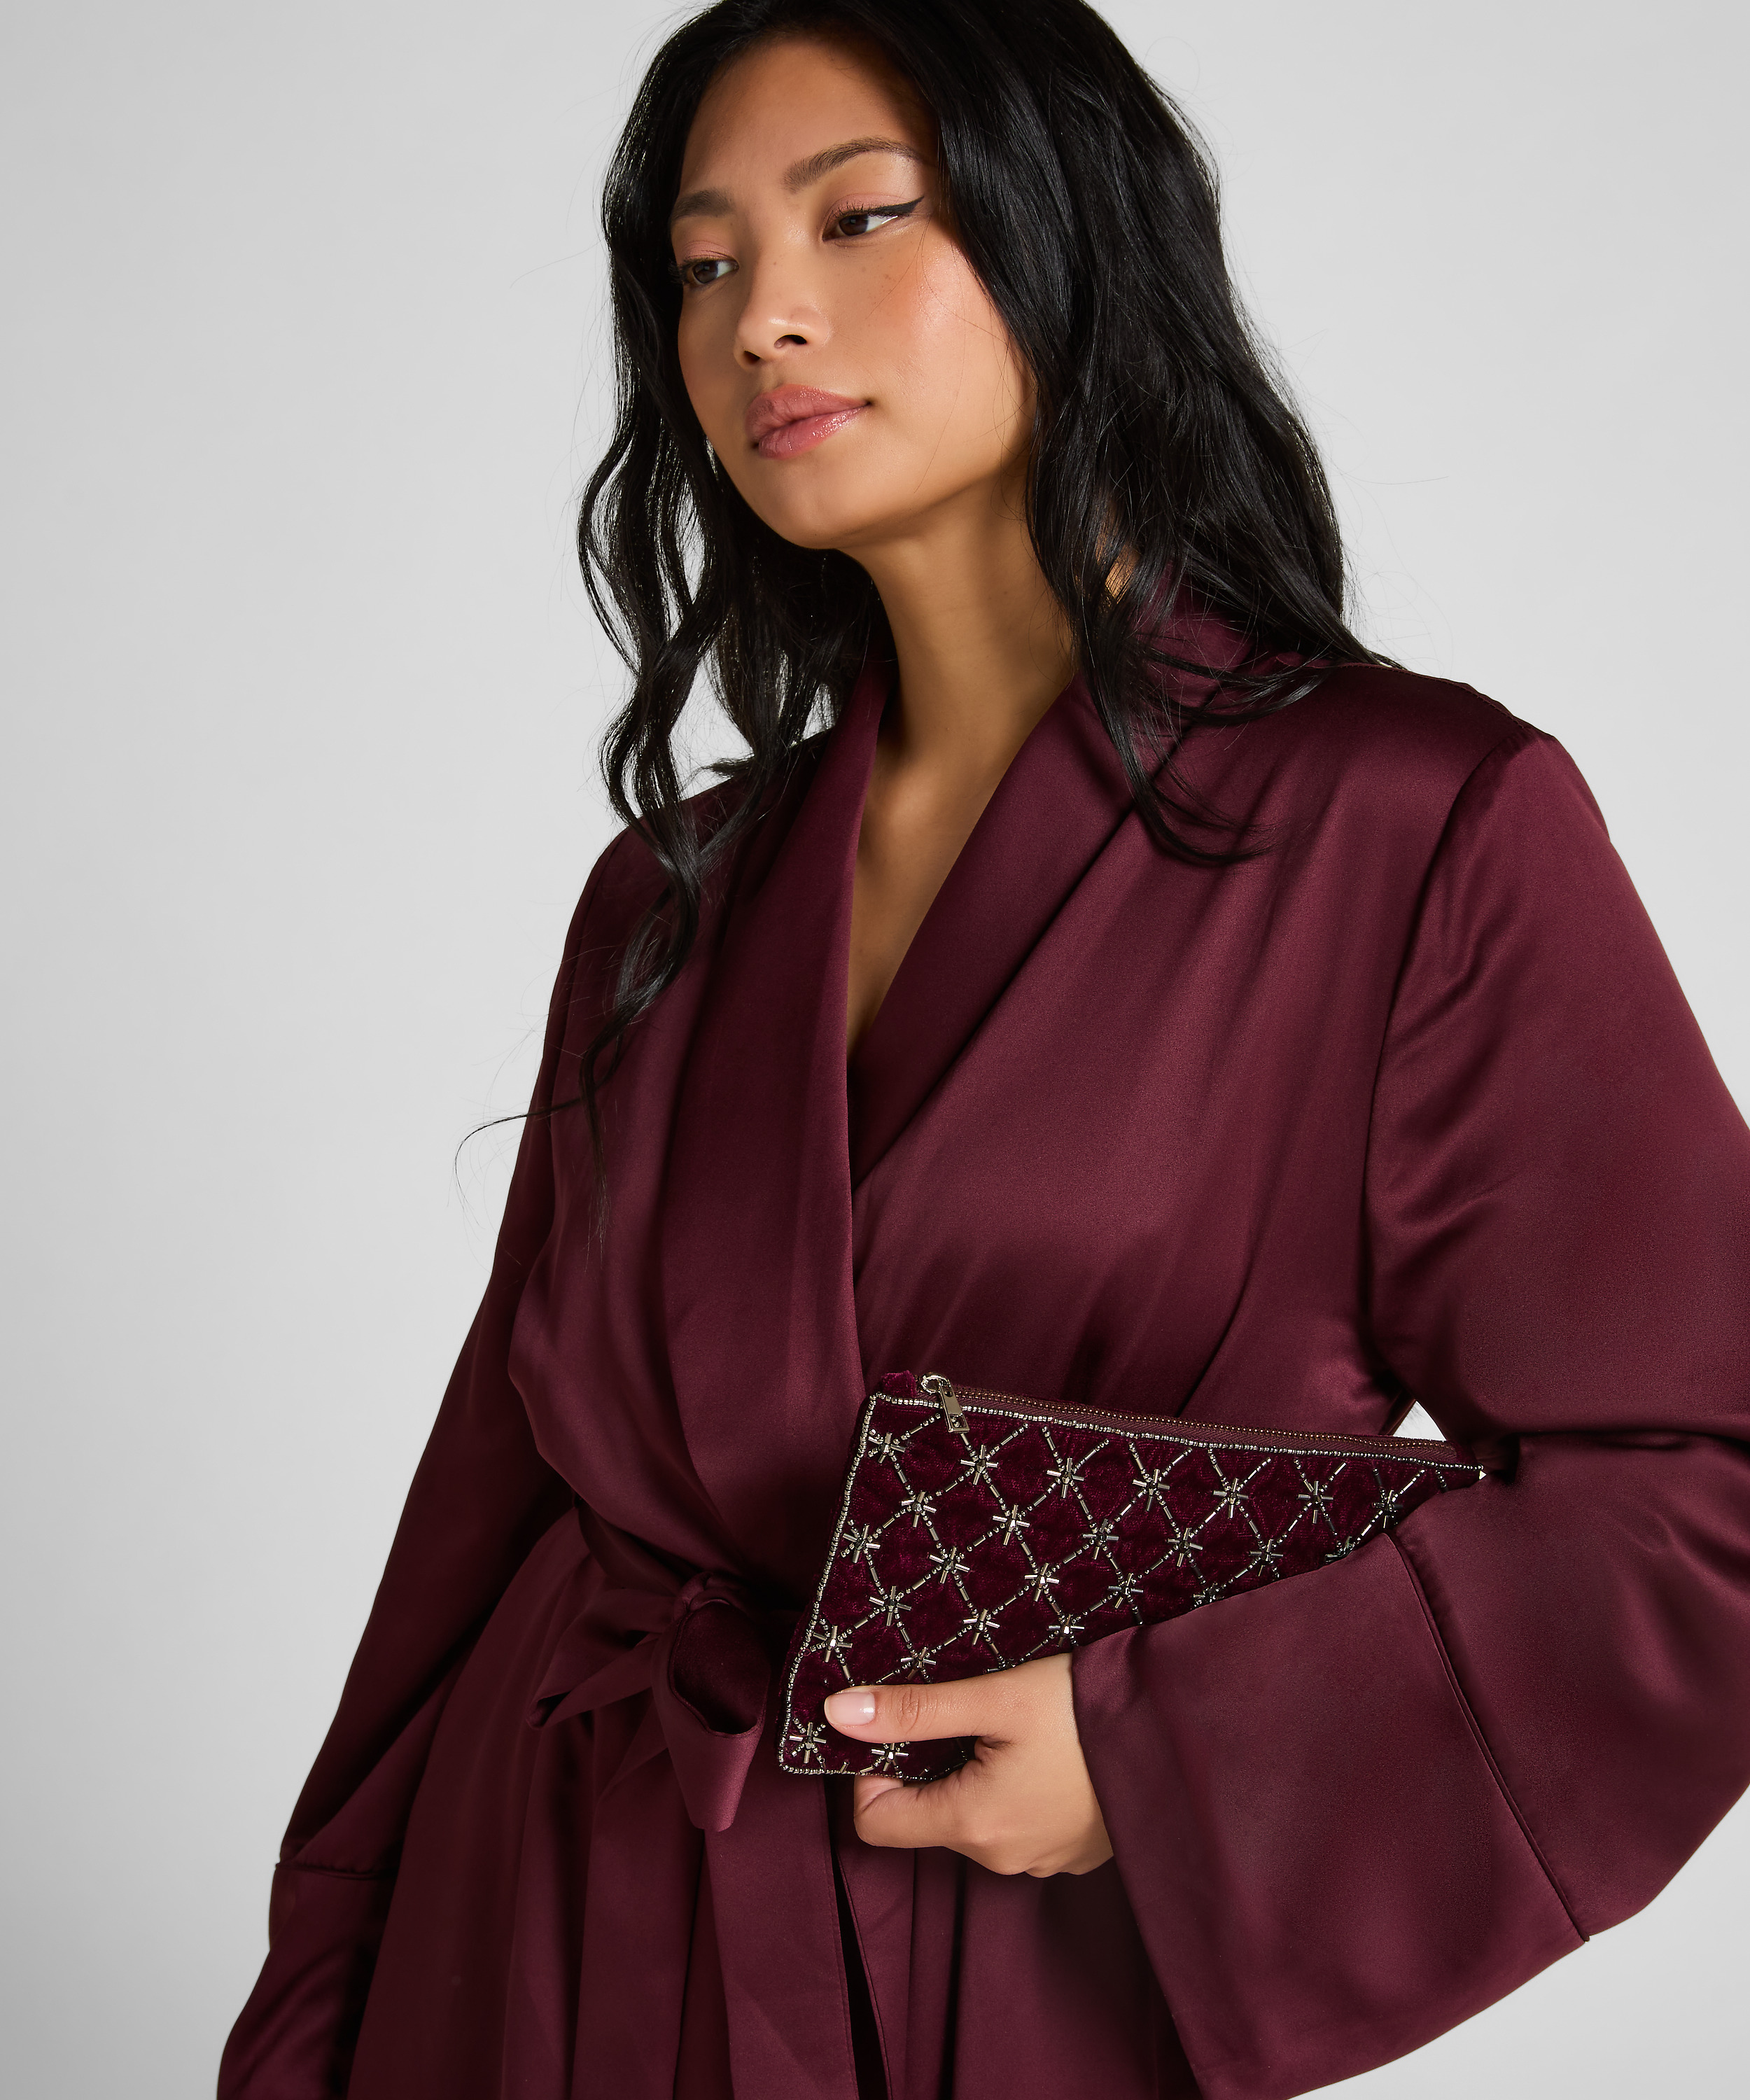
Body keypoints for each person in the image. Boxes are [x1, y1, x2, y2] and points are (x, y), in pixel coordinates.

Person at [218, 3, 1750, 2096]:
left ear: (1069, 233)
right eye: (702, 262)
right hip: (528, 1944)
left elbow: (1698, 1497)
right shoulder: (672, 892)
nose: (760, 318)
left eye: (857, 219)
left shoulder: (1416, 825)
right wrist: (315, 2019)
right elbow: (473, 1532)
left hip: (984, 1972)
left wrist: (1161, 1750)